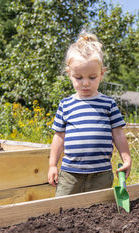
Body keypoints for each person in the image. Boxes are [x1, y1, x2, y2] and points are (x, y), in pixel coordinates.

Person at [48, 31, 131, 196]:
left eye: (92, 77)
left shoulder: (108, 104)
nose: (85, 83)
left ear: (101, 74)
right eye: (78, 77)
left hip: (101, 173)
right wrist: (52, 165)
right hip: (70, 174)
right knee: (62, 209)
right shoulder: (66, 105)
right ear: (69, 74)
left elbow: (118, 134)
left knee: (99, 211)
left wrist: (126, 159)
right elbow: (59, 137)